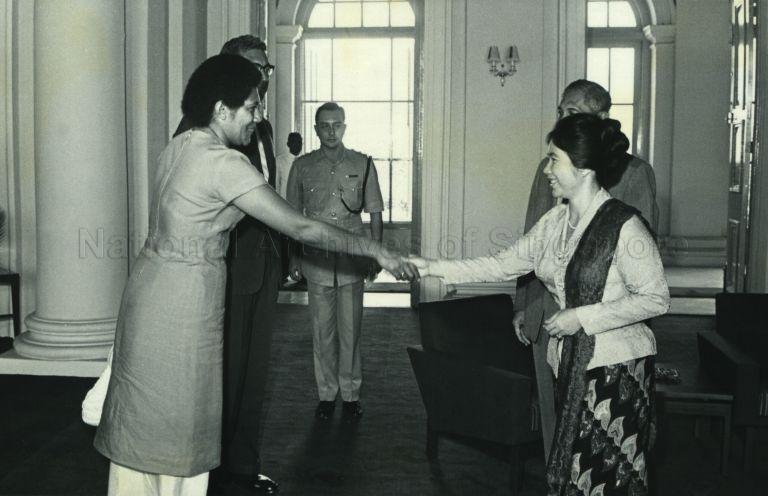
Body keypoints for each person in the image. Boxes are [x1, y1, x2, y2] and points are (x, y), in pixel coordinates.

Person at [93, 54, 416, 496]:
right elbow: (301, 225)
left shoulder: (179, 145)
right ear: (221, 110)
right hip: (181, 304)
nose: (259, 115)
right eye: (251, 105)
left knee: (146, 422)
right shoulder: (222, 163)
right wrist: (377, 248)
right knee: (177, 431)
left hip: (149, 296)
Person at [411, 114, 670, 495]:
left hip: (617, 370)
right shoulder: (555, 222)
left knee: (603, 476)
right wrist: (433, 267)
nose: (547, 169)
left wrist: (581, 317)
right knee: (575, 470)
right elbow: (501, 263)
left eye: (554, 159)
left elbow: (656, 298)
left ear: (582, 169)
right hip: (573, 364)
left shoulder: (623, 225)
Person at [514, 79, 659, 461]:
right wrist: (523, 304)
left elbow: (643, 263)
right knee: (554, 414)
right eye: (561, 111)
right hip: (549, 311)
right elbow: (532, 239)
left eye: (573, 112)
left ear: (602, 117)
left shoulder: (634, 173)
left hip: (603, 326)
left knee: (602, 430)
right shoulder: (549, 168)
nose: (563, 118)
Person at [173, 35, 281, 495]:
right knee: (222, 375)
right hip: (225, 268)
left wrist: (285, 257)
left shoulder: (264, 127)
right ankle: (211, 475)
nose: (261, 77)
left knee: (253, 374)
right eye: (252, 68)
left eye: (265, 68)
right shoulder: (197, 130)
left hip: (264, 265)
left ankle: (242, 467)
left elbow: (271, 195)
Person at [286, 102, 383, 421]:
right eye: (324, 125)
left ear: (344, 127)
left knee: (351, 330)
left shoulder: (363, 163)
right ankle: (326, 394)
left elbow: (375, 213)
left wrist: (375, 252)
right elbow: (291, 217)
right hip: (316, 259)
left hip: (352, 259)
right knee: (322, 331)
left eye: (336, 125)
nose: (330, 131)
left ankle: (351, 393)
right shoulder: (302, 167)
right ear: (315, 130)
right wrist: (293, 257)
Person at [276, 132, 303, 200]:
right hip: (284, 203)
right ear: (288, 144)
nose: (297, 145)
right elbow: (276, 185)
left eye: (299, 142)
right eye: (294, 142)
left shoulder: (306, 161)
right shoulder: (279, 161)